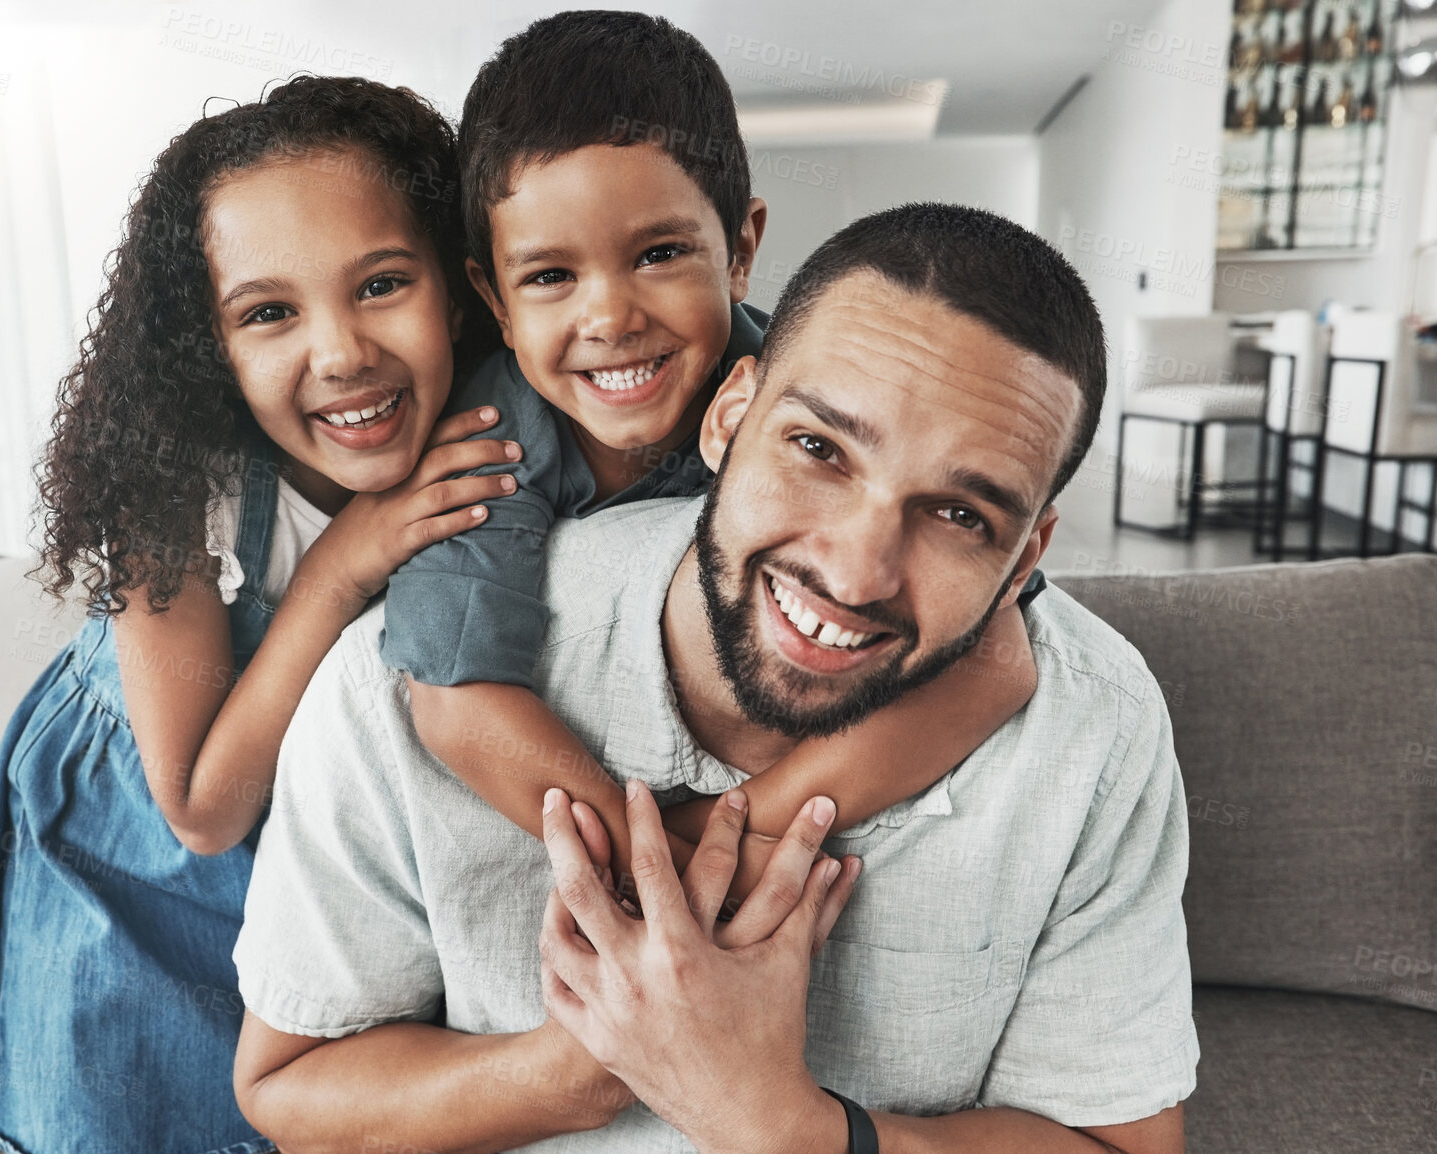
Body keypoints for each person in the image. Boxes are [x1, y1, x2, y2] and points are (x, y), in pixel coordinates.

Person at [231, 203, 1197, 1153]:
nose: (856, 573)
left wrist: (784, 1129)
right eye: (818, 450)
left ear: (1026, 559)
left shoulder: (1093, 728)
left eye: (959, 517)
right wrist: (592, 1065)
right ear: (730, 418)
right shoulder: (391, 681)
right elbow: (288, 1086)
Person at [0, 76, 514, 1154]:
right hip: (129, 870)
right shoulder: (174, 493)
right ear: (209, 347)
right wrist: (341, 566)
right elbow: (202, 810)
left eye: (381, 284)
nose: (342, 351)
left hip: (314, 873)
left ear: (456, 287)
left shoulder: (493, 438)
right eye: (270, 312)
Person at [379, 9, 1045, 893]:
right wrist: (661, 872)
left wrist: (726, 836)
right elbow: (459, 706)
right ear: (494, 301)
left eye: (658, 253)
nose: (610, 318)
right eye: (549, 276)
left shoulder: (812, 402)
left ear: (738, 253)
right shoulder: (484, 445)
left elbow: (999, 661)